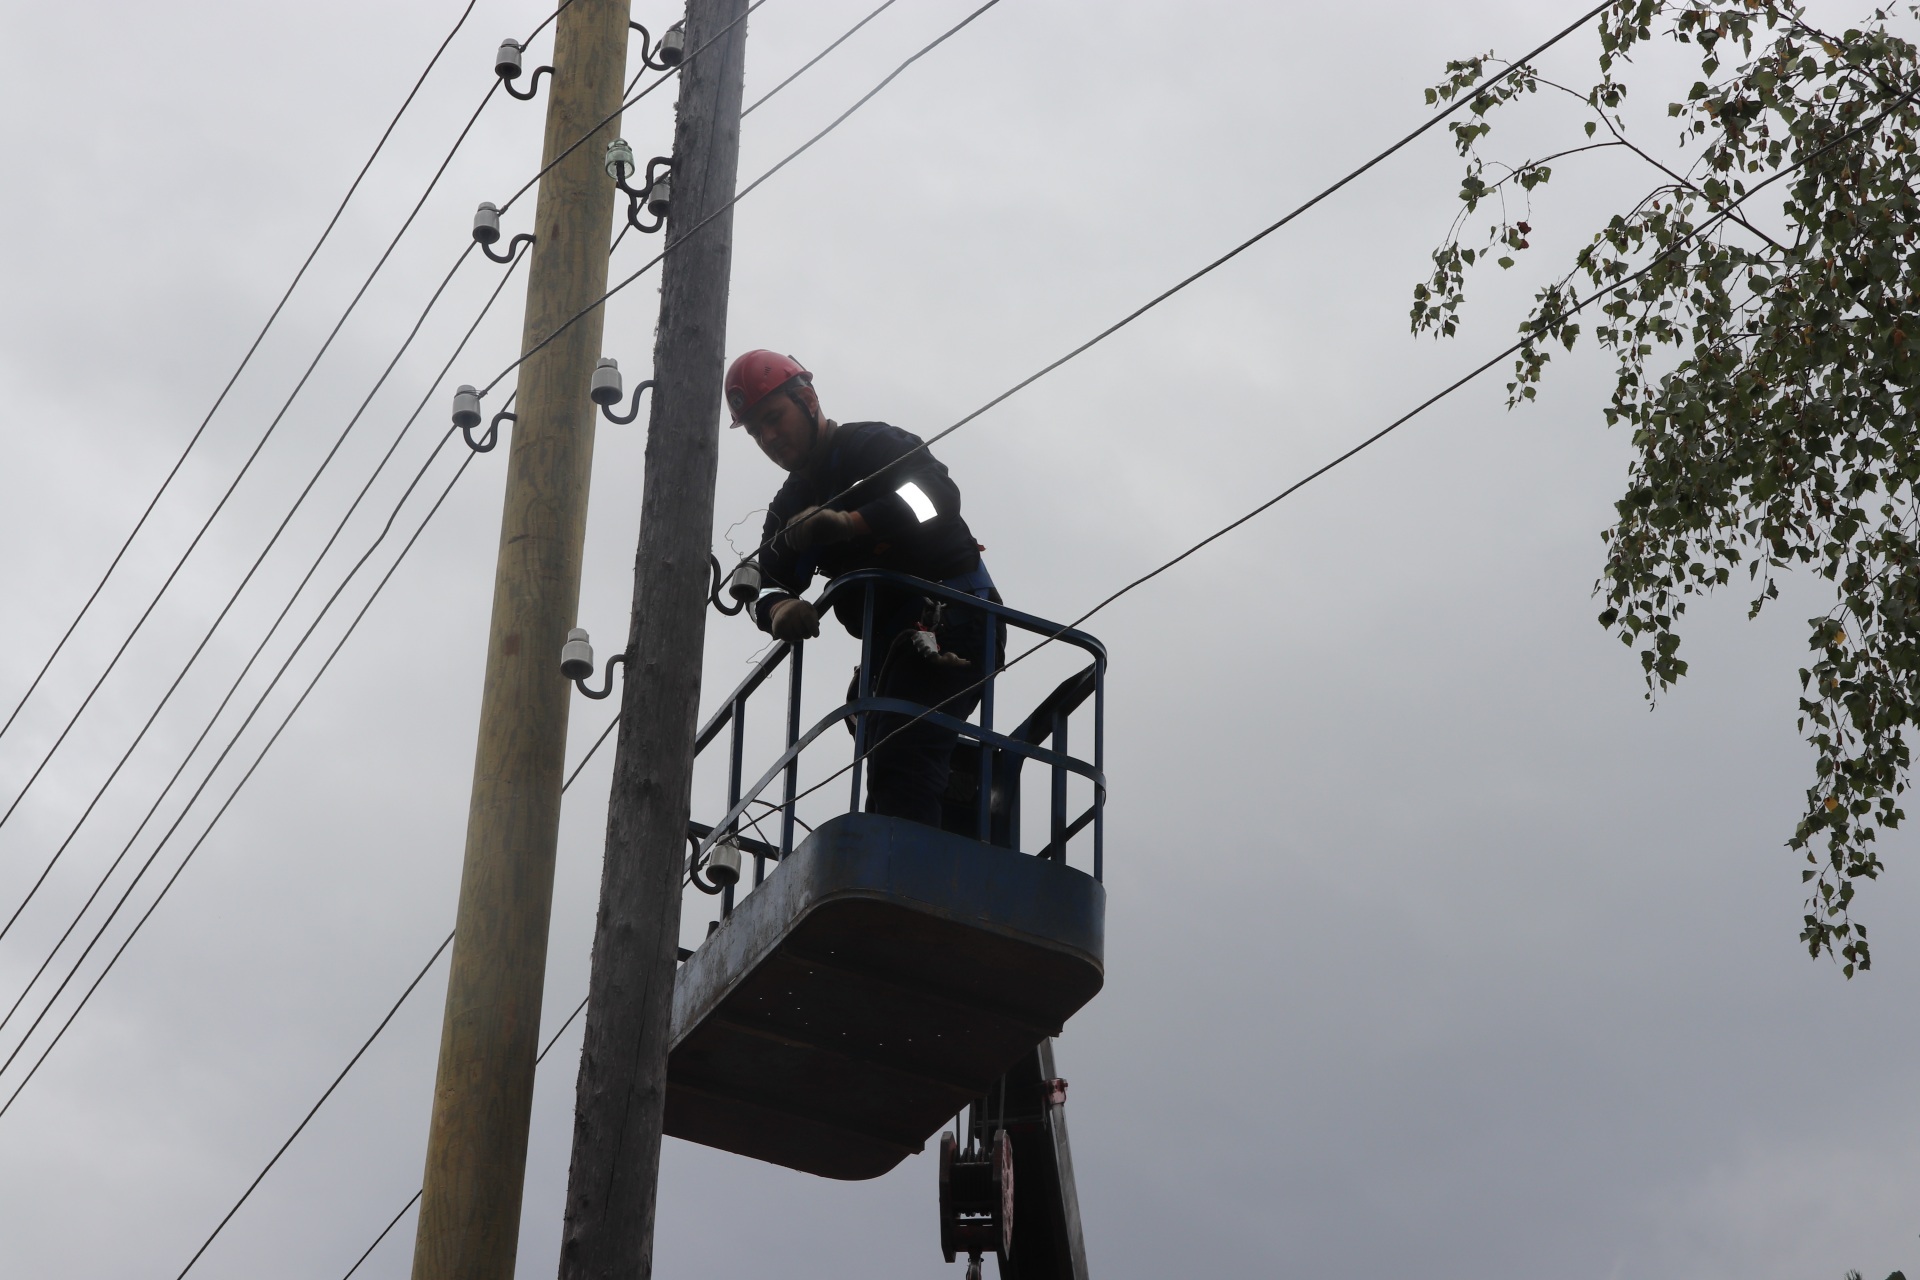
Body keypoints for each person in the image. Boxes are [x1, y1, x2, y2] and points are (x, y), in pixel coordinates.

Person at [726, 349, 1000, 831]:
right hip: (894, 649)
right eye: (755, 431)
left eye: (773, 418)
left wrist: (851, 523)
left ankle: (905, 874)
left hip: (957, 621)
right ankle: (910, 860)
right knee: (891, 756)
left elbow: (935, 498)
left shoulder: (871, 447)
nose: (768, 438)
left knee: (902, 751)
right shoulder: (791, 504)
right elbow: (765, 581)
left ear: (807, 400)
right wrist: (779, 609)